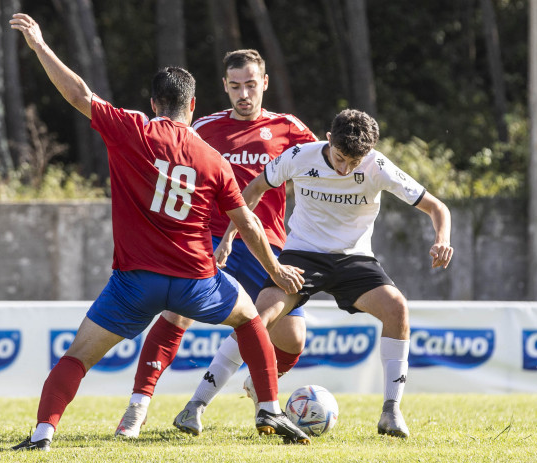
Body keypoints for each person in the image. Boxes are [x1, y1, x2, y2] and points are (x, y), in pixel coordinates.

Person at [9, 13, 310, 451]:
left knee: (77, 356)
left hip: (134, 284)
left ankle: (43, 433)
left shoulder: (131, 130)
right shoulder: (212, 157)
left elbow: (79, 94)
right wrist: (276, 270)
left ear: (153, 103)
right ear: (193, 106)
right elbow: (246, 221)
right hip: (196, 281)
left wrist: (40, 46)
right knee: (248, 319)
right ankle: (268, 409)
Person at [178, 108, 454, 439]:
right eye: (339, 158)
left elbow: (438, 207)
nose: (344, 168)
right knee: (257, 319)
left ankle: (391, 412)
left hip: (354, 260)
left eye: (353, 162)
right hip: (302, 256)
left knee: (397, 308)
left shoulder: (377, 165)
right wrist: (227, 239)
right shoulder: (298, 156)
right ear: (327, 141)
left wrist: (442, 239)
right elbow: (252, 190)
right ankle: (195, 406)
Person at [114, 49, 318, 439]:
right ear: (224, 86)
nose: (244, 94)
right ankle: (138, 407)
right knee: (177, 316)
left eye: (251, 85)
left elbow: (321, 167)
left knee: (291, 342)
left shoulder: (289, 127)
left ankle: (257, 388)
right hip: (207, 241)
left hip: (267, 245)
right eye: (235, 86)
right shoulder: (203, 128)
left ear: (265, 83)